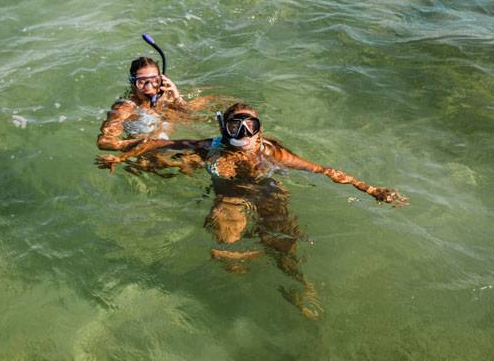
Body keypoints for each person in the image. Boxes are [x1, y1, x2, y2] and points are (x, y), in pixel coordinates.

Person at [97, 102, 406, 318]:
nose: (243, 132)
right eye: (236, 125)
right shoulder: (211, 146)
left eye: (250, 125)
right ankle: (243, 272)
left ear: (260, 129)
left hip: (268, 192)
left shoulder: (273, 151)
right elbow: (158, 145)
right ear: (224, 126)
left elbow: (323, 170)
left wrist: (371, 189)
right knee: (225, 249)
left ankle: (304, 287)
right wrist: (120, 158)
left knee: (283, 242)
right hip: (230, 198)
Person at [95, 56, 206, 174]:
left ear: (162, 80)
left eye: (154, 80)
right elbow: (104, 141)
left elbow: (188, 114)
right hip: (144, 157)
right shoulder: (125, 108)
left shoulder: (168, 97)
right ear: (133, 83)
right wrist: (138, 143)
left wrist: (177, 97)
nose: (149, 87)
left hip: (171, 147)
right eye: (141, 82)